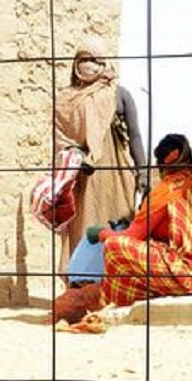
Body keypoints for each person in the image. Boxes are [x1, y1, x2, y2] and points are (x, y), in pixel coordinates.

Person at [50, 133, 192, 326]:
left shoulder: (167, 189)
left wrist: (100, 233)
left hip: (190, 275)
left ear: (161, 166)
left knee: (115, 247)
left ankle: (106, 298)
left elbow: (131, 236)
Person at [51, 45, 146, 283]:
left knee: (117, 228)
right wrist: (76, 155)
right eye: (85, 59)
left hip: (116, 177)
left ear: (104, 63)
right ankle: (82, 288)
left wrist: (143, 172)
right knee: (84, 232)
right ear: (76, 64)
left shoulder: (118, 94)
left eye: (96, 59)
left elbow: (135, 135)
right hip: (83, 180)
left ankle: (118, 286)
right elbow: (60, 138)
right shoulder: (65, 100)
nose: (90, 64)